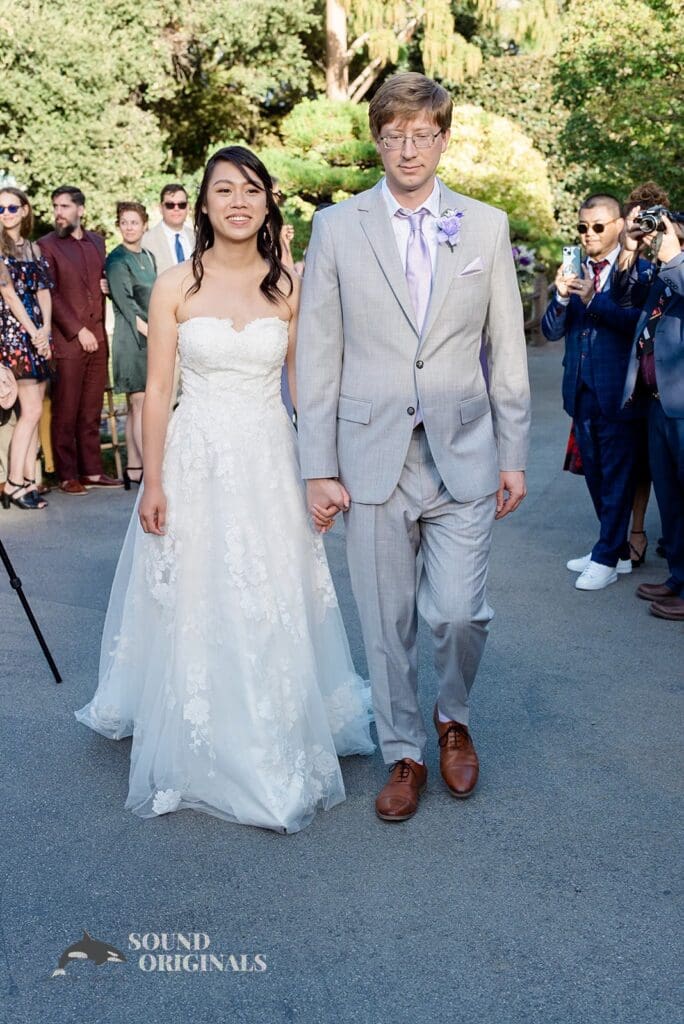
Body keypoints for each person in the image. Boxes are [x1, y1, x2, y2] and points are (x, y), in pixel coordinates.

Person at [75, 145, 374, 832]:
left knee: (273, 585)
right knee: (197, 587)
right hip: (195, 456)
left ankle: (274, 716)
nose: (238, 201)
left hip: (270, 455)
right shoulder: (174, 285)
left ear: (268, 201)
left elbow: (304, 389)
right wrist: (151, 479)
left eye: (250, 189)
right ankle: (198, 722)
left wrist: (321, 470)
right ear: (202, 205)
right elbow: (156, 391)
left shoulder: (289, 284)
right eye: (222, 190)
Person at [297, 73, 531, 822]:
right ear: (377, 139)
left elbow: (507, 349)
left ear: (443, 138)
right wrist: (318, 467)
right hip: (370, 458)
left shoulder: (486, 226)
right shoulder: (337, 226)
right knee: (385, 618)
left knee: (460, 613)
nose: (407, 148)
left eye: (422, 134)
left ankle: (452, 717)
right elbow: (319, 352)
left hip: (463, 451)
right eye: (393, 135)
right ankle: (404, 752)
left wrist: (514, 452)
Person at [542, 193, 643, 590]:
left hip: (619, 392)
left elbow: (634, 322)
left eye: (598, 226)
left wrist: (593, 299)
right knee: (596, 474)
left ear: (618, 225)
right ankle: (615, 551)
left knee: (618, 475)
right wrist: (564, 296)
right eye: (583, 227)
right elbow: (551, 330)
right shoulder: (576, 268)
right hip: (580, 390)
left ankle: (605, 555)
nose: (589, 234)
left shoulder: (635, 268)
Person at [621, 213, 684, 621]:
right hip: (659, 403)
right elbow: (630, 297)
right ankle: (678, 577)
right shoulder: (664, 273)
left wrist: (675, 256)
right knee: (671, 499)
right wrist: (632, 247)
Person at [39, 186, 122, 494]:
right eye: (55, 206)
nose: (58, 212)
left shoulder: (97, 242)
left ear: (80, 211)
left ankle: (93, 471)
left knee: (91, 409)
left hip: (99, 336)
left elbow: (101, 282)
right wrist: (77, 329)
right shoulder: (45, 245)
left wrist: (107, 286)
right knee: (66, 409)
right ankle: (66, 474)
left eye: (64, 206)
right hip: (68, 340)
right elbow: (51, 293)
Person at [0, 187, 53, 510]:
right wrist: (34, 332)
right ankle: (15, 484)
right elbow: (8, 295)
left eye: (11, 207)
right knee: (30, 410)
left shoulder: (32, 248)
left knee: (33, 409)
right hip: (14, 335)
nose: (5, 213)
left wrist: (45, 327)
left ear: (24, 210)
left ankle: (27, 480)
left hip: (38, 334)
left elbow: (43, 289)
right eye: (0, 209)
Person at [106, 202, 156, 488]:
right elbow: (126, 305)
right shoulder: (116, 260)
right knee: (138, 403)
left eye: (134, 222)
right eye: (124, 222)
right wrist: (156, 334)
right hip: (132, 337)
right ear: (119, 226)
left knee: (138, 406)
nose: (129, 227)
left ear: (144, 225)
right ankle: (146, 468)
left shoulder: (148, 256)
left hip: (151, 335)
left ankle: (134, 467)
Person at [141, 183, 195, 274]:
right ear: (161, 208)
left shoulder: (198, 238)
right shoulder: (146, 241)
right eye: (170, 205)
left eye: (181, 205)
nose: (176, 209)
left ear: (188, 207)